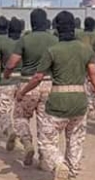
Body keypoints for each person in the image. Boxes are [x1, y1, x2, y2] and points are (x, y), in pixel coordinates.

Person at [17, 11, 95, 180]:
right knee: (75, 140)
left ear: (57, 28)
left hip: (58, 102)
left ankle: (59, 165)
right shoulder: (86, 50)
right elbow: (93, 75)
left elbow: (38, 77)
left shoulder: (53, 51)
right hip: (80, 101)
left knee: (46, 141)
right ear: (74, 27)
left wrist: (23, 92)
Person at [6, 9, 58, 166]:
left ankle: (27, 143)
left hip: (28, 84)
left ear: (32, 22)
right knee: (44, 123)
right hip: (49, 85)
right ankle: (43, 159)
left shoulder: (25, 40)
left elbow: (12, 63)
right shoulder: (54, 40)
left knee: (20, 117)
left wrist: (7, 74)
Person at [0, 17, 22, 149]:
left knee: (4, 111)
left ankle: (9, 130)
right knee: (20, 115)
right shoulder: (24, 43)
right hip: (23, 82)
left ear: (9, 29)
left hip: (7, 81)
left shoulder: (3, 43)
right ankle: (24, 139)